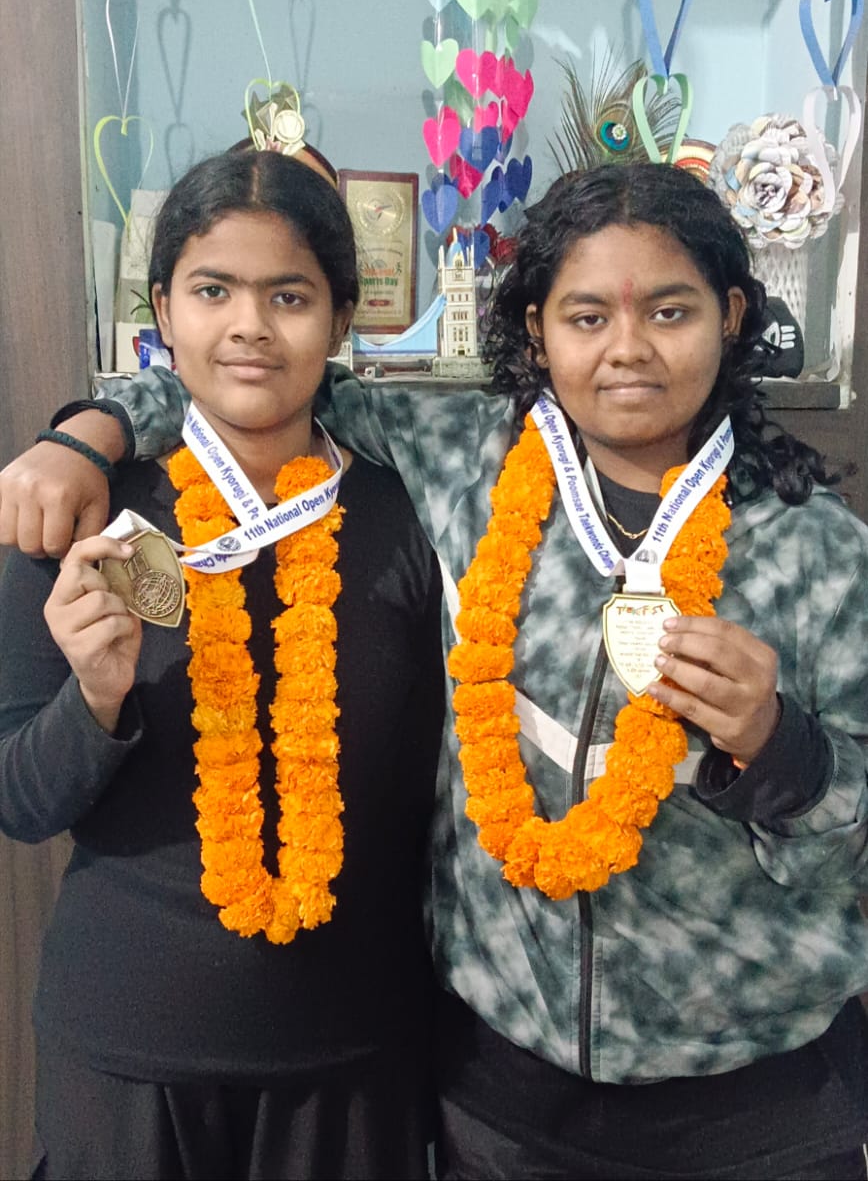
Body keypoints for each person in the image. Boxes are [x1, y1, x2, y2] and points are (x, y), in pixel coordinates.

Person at [4, 161, 868, 1180]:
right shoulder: (462, 464)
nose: (627, 348)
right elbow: (250, 377)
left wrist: (780, 746)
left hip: (751, 1107)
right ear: (537, 329)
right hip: (500, 1100)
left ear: (731, 316)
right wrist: (88, 431)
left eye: (669, 312)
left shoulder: (820, 552)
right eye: (586, 315)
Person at [0, 148, 445, 1180]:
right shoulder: (82, 510)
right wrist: (94, 698)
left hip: (353, 1056)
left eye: (289, 296)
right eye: (212, 291)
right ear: (163, 309)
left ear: (341, 319)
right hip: (127, 1050)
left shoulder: (408, 515)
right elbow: (20, 800)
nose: (250, 325)